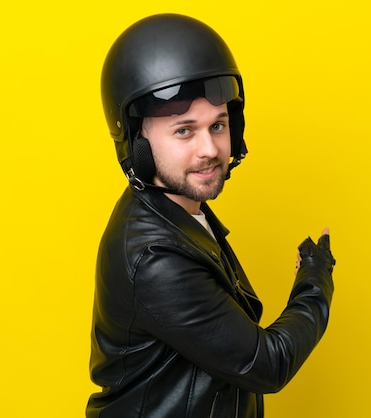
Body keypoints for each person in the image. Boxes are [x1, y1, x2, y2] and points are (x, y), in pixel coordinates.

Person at [87, 13, 336, 418]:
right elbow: (268, 364)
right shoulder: (156, 257)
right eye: (184, 130)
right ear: (138, 142)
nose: (209, 149)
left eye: (218, 125)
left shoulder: (180, 213)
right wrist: (316, 280)